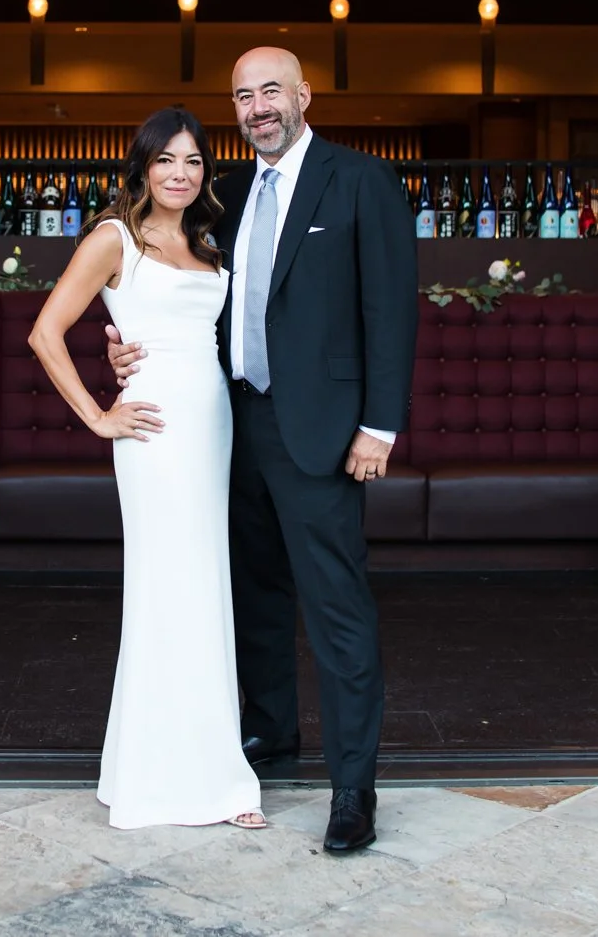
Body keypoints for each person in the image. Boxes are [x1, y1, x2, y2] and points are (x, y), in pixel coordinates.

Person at [108, 47, 416, 854]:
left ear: (304, 95)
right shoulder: (229, 192)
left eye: (270, 90)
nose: (257, 107)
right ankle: (269, 738)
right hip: (226, 425)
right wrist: (126, 348)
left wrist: (379, 426)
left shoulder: (361, 180)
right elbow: (188, 297)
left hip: (319, 431)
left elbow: (391, 310)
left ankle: (353, 788)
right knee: (253, 600)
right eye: (242, 96)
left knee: (336, 609)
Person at [27, 107, 265, 832]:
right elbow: (45, 331)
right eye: (167, 160)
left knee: (204, 591)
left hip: (213, 424)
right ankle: (175, 784)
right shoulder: (113, 238)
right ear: (143, 165)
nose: (180, 174)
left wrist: (117, 348)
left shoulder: (207, 240)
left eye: (194, 161)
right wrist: (101, 413)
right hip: (154, 432)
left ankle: (197, 771)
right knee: (167, 592)